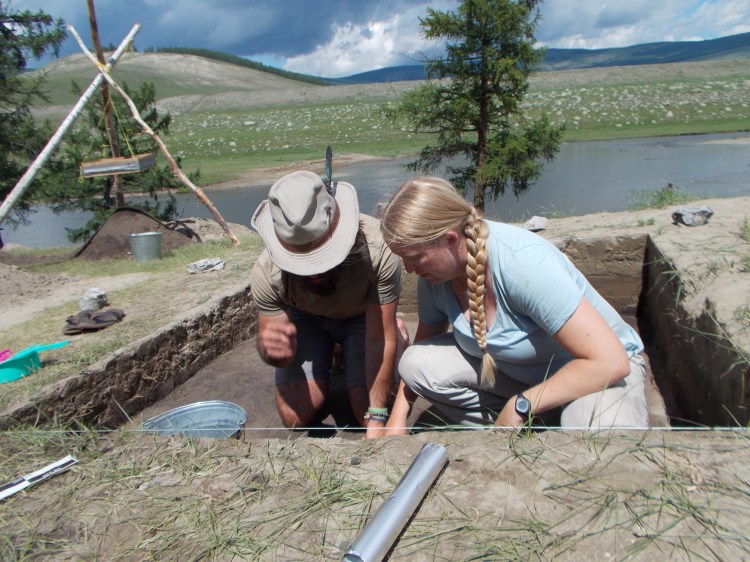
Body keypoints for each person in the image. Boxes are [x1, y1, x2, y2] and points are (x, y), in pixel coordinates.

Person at [379, 177, 649, 433]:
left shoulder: (522, 264)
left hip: (599, 374)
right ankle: (542, 423)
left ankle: (543, 417)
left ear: (450, 240)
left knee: (596, 429)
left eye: (414, 257)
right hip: (527, 376)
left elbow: (611, 362)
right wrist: (398, 416)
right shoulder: (436, 277)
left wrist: (521, 405)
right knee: (415, 363)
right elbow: (425, 343)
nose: (409, 269)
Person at [250, 170, 403, 439]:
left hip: (362, 316)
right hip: (308, 318)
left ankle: (397, 335)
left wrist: (377, 418)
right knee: (295, 418)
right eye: (302, 264)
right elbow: (277, 350)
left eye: (324, 259)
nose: (314, 273)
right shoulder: (266, 273)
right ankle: (333, 352)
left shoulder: (379, 252)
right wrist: (271, 351)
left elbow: (379, 339)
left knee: (365, 413)